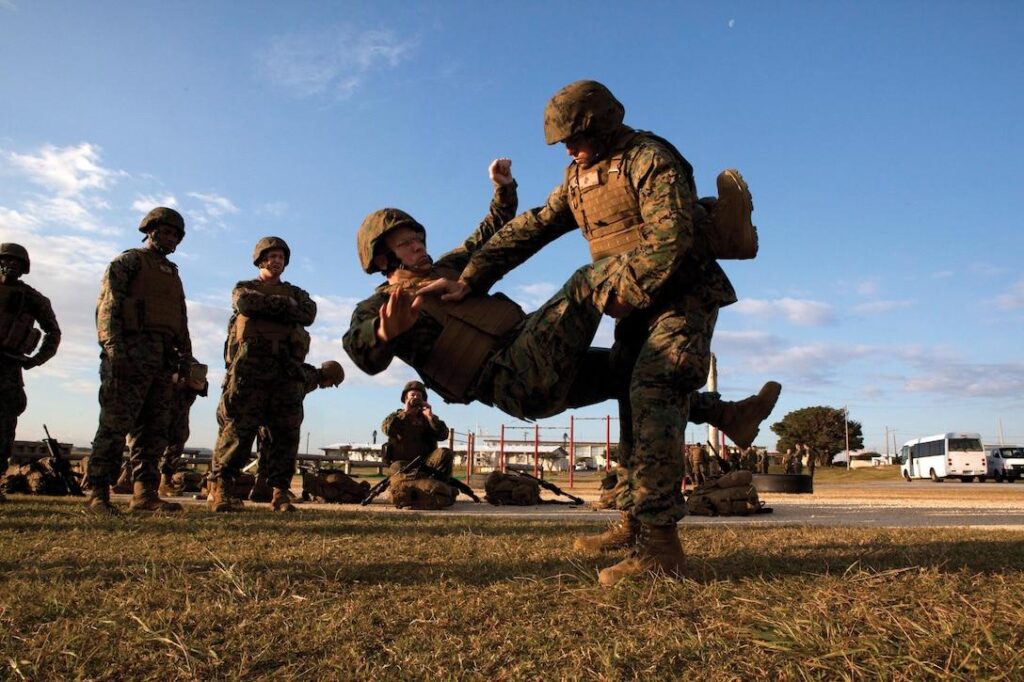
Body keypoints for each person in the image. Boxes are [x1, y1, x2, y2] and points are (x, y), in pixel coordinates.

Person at [423, 81, 768, 585]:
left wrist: (627, 289)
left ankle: (660, 547)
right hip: (629, 304)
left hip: (682, 295)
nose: (568, 148)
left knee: (654, 388)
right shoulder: (580, 177)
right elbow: (534, 226)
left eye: (575, 137)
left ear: (603, 123)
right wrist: (472, 277)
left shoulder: (649, 158)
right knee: (632, 399)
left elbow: (672, 236)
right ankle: (633, 522)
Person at [344, 159, 778, 506]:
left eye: (417, 237)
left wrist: (504, 188)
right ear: (383, 259)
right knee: (588, 282)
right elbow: (360, 351)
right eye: (404, 244)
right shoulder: (381, 305)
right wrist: (384, 334)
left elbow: (493, 232)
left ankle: (727, 418)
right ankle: (696, 241)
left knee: (633, 370)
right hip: (509, 375)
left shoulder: (449, 268)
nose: (417, 245)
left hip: (535, 355)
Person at [87, 207, 191, 514]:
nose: (171, 238)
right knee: (114, 426)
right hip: (129, 354)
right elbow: (108, 307)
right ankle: (98, 493)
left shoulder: (172, 273)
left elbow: (180, 320)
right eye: (166, 231)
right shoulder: (128, 262)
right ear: (151, 230)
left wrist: (186, 358)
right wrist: (114, 349)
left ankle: (145, 493)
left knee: (154, 430)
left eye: (176, 234)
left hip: (163, 360)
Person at [207, 236, 317, 513]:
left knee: (285, 432)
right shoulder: (244, 288)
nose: (277, 260)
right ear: (260, 259)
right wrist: (284, 309)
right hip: (249, 370)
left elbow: (308, 313)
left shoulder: (297, 293)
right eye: (272, 256)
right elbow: (246, 304)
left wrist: (269, 305)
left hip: (285, 370)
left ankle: (280, 492)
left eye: (281, 257)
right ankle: (222, 489)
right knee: (238, 431)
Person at [0, 243, 61, 503]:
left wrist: (37, 359)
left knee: (3, 427)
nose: (11, 266)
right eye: (6, 260)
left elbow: (53, 332)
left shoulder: (32, 298)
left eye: (17, 262)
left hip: (7, 367)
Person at [249, 359, 344, 502]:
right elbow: (290, 398)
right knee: (282, 452)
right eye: (332, 383)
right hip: (279, 415)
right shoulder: (308, 377)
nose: (330, 386)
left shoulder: (305, 373)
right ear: (328, 377)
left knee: (265, 449)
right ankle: (279, 491)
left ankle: (259, 489)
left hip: (265, 411)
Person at [380, 380, 456, 509]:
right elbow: (387, 430)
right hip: (402, 464)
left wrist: (430, 417)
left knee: (445, 453)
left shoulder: (428, 418)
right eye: (412, 395)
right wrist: (406, 413)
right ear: (405, 398)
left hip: (426, 464)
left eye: (419, 396)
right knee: (397, 469)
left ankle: (441, 490)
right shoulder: (396, 417)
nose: (415, 398)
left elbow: (443, 435)